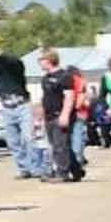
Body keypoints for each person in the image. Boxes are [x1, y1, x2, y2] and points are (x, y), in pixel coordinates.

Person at [35, 48, 83, 182]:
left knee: (60, 145)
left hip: (60, 115)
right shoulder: (45, 78)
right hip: (49, 116)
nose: (40, 64)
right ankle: (77, 170)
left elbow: (69, 97)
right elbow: (45, 97)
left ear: (49, 61)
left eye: (41, 61)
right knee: (59, 145)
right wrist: (41, 115)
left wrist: (65, 115)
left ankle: (62, 173)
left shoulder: (65, 76)